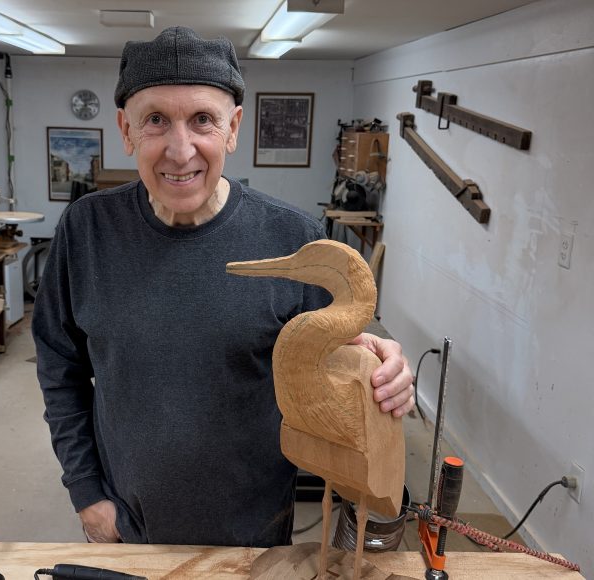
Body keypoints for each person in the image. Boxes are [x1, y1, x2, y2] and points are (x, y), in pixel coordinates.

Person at [32, 26, 414, 548]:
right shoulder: (86, 230)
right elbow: (60, 367)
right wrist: (86, 494)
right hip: (126, 524)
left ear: (233, 128)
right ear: (126, 130)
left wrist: (379, 369)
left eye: (203, 120)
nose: (180, 149)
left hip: (256, 528)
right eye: (156, 121)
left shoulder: (293, 238)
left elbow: (332, 360)